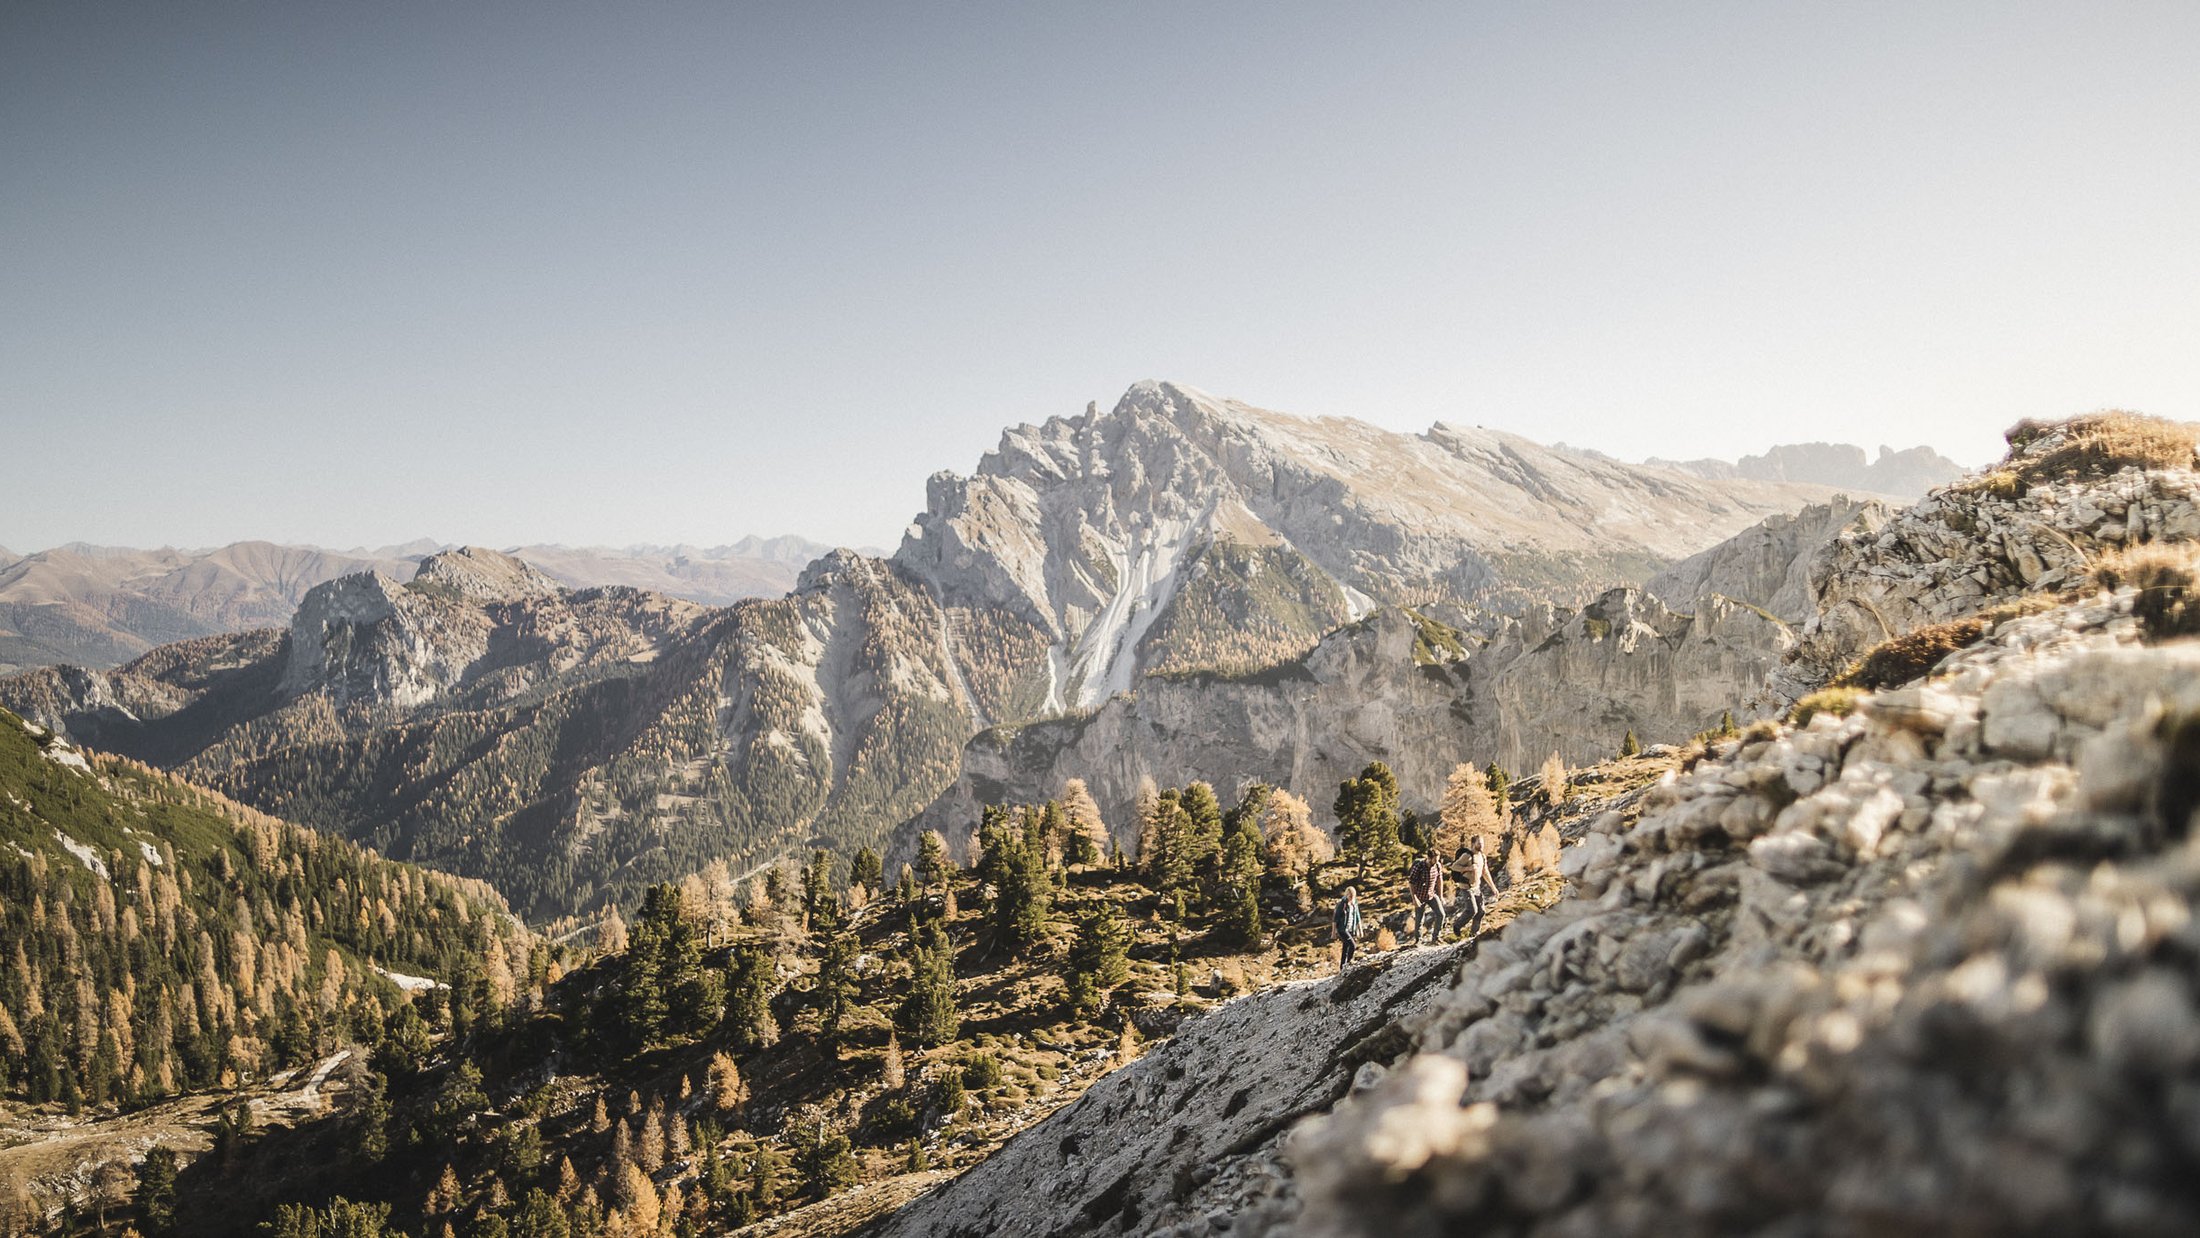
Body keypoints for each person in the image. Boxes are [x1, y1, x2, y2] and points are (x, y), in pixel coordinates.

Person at [1461, 834, 1499, 940]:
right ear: (1473, 844)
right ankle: (1457, 926)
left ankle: (1474, 933)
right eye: (1479, 843)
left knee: (1481, 911)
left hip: (1476, 888)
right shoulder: (1467, 856)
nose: (1481, 845)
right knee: (1472, 910)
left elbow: (1485, 872)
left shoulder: (1482, 856)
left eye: (1482, 843)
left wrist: (1493, 888)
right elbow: (1456, 868)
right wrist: (1468, 869)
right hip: (1467, 887)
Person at [1407, 846, 1446, 944]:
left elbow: (1439, 880)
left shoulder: (1437, 866)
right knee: (1419, 919)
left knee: (1441, 914)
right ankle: (1418, 941)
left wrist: (1441, 896)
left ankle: (1436, 938)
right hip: (1420, 896)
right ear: (1429, 858)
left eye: (1438, 860)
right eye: (1434, 860)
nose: (1436, 862)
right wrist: (1414, 898)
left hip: (1431, 895)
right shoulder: (1419, 867)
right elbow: (1411, 883)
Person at [1333, 886, 1363, 969]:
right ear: (1346, 894)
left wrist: (1360, 930)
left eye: (1352, 895)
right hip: (1342, 929)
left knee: (1345, 947)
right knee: (1353, 945)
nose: (1351, 897)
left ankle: (1342, 967)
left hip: (1350, 929)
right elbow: (1335, 919)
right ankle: (1349, 963)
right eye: (1349, 895)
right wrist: (1333, 932)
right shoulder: (1342, 904)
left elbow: (1357, 917)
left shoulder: (1354, 903)